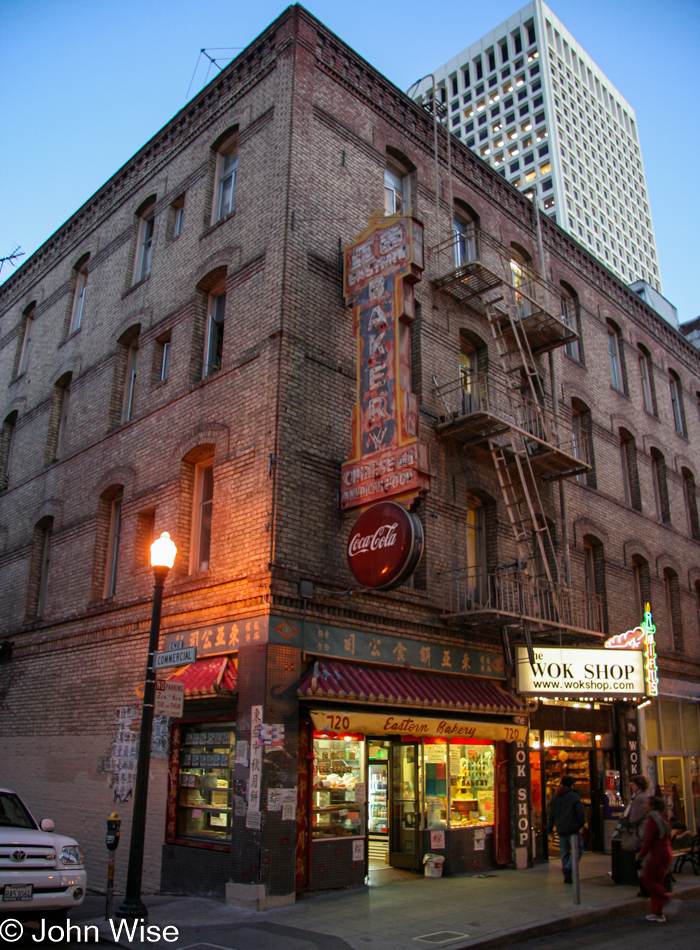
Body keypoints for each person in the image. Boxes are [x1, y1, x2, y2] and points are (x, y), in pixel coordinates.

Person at [637, 796, 674, 922]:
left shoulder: (652, 819)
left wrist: (640, 856)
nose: (644, 806)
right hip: (667, 851)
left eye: (647, 804)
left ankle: (666, 900)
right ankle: (657, 912)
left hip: (658, 852)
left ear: (652, 806)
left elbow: (648, 840)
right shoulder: (663, 817)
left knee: (646, 878)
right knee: (657, 882)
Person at [547, 775, 586, 884]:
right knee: (578, 850)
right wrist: (580, 825)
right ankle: (569, 867)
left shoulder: (555, 797)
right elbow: (581, 813)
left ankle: (567, 876)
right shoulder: (574, 797)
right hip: (573, 829)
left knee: (564, 852)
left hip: (560, 828)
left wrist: (550, 829)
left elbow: (551, 814)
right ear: (571, 785)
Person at [627, 775, 650, 895]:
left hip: (642, 832)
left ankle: (645, 888)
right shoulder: (646, 795)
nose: (631, 787)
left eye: (632, 785)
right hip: (647, 831)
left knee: (642, 861)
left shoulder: (639, 798)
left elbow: (634, 818)